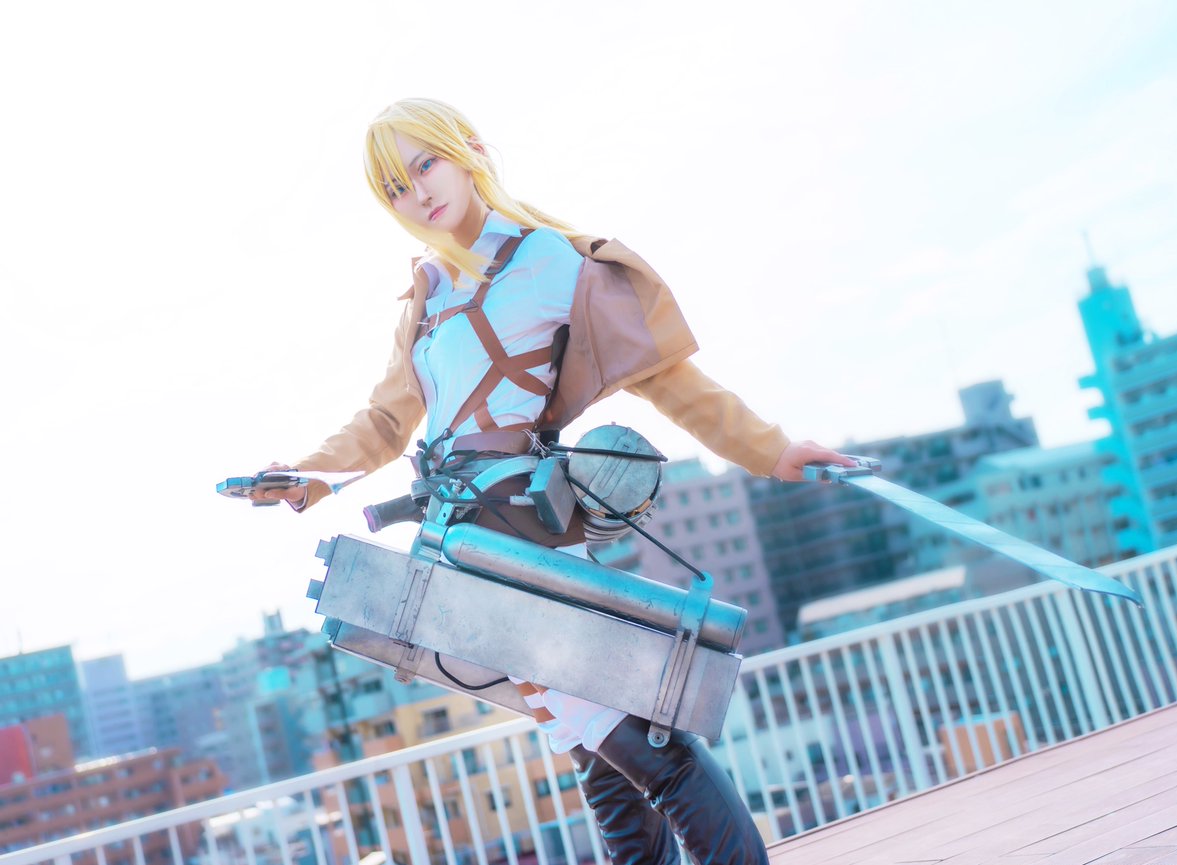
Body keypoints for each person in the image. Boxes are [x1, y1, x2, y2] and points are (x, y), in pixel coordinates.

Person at [252, 97, 855, 865]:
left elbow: (666, 378)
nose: (417, 193)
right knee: (600, 763)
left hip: (522, 538)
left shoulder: (542, 259)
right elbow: (383, 420)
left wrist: (774, 450)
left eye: (425, 164)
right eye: (396, 187)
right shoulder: (428, 295)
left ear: (469, 151)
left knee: (644, 752)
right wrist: (306, 476)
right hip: (460, 547)